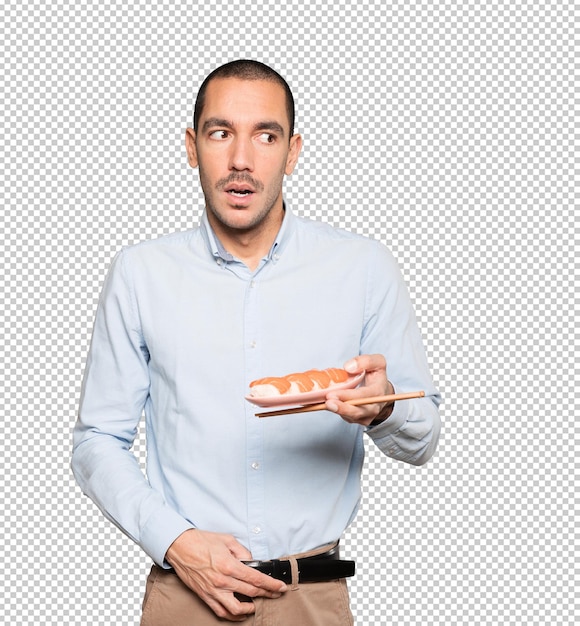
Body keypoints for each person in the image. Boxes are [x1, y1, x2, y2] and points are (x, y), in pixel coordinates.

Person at [72, 59, 441, 625]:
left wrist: (383, 408)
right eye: (221, 133)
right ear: (192, 146)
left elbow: (421, 441)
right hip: (187, 596)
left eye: (265, 135)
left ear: (293, 152)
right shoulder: (139, 273)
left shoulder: (363, 268)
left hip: (312, 600)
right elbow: (98, 440)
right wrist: (175, 542)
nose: (241, 159)